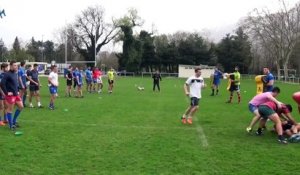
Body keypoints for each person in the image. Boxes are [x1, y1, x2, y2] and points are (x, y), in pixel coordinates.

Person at [1, 61, 24, 130]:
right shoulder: (7, 74)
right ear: (10, 66)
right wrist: (6, 92)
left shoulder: (15, 73)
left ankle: (13, 121)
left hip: (16, 94)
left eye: (16, 65)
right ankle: (11, 125)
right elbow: (2, 83)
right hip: (10, 96)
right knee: (10, 110)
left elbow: (14, 83)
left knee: (21, 107)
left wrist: (18, 89)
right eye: (14, 65)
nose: (16, 66)